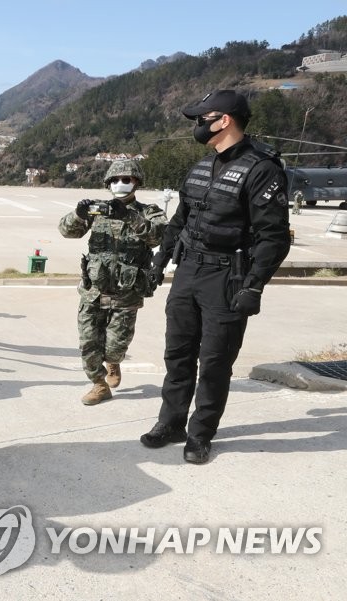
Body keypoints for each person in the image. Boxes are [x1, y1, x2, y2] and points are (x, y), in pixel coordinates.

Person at [140, 90, 291, 464]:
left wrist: (254, 285)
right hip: (188, 271)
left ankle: (201, 433)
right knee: (178, 355)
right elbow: (180, 221)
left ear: (224, 120)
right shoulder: (201, 168)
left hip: (226, 278)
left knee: (215, 362)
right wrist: (160, 263)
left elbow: (274, 237)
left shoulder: (262, 169)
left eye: (202, 118)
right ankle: (171, 423)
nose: (197, 125)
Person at [58, 160, 168, 405]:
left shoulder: (148, 211)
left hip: (127, 292)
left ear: (137, 182)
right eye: (115, 180)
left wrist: (128, 216)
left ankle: (114, 362)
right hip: (93, 290)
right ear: (108, 184)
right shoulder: (99, 211)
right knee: (88, 343)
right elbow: (66, 231)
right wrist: (78, 214)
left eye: (127, 179)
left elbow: (160, 236)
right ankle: (99, 385)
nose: (120, 184)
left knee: (115, 346)